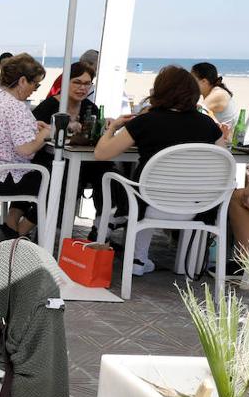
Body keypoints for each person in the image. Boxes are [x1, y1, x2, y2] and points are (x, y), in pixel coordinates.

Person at [95, 65, 224, 276]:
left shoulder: (146, 122)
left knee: (121, 179)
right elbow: (221, 162)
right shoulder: (209, 125)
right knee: (144, 186)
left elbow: (101, 154)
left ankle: (119, 233)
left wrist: (112, 127)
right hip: (197, 207)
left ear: (160, 91)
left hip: (150, 204)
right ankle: (151, 260)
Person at [0, 53, 54, 239]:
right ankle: (21, 232)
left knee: (36, 171)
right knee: (54, 181)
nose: (35, 90)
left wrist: (32, 126)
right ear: (23, 81)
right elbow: (25, 150)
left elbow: (3, 129)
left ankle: (10, 227)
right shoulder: (15, 107)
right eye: (35, 84)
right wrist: (43, 135)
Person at [31, 61, 116, 230]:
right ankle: (43, 225)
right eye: (77, 82)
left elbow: (94, 135)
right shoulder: (49, 106)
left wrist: (106, 126)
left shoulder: (89, 107)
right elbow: (31, 132)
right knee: (68, 176)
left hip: (83, 161)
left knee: (108, 172)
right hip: (47, 160)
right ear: (65, 82)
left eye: (86, 83)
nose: (82, 88)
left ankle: (104, 225)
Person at [193, 62, 238, 128]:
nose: (190, 83)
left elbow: (199, 110)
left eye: (192, 80)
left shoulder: (218, 93)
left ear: (204, 81)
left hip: (229, 137)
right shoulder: (212, 92)